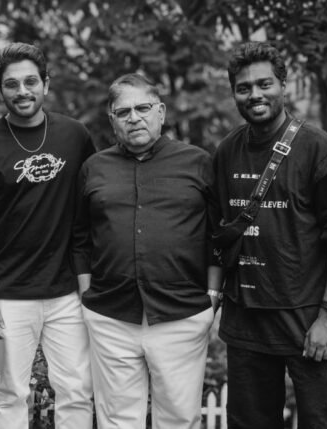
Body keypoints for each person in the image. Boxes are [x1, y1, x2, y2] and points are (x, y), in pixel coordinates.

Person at [212, 41, 327, 428]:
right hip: (246, 319)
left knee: (319, 421)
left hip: (308, 319)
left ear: (284, 85)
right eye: (244, 88)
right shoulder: (227, 151)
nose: (255, 94)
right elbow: (218, 229)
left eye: (264, 84)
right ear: (234, 93)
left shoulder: (319, 150)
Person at [0, 43, 94, 428]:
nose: (22, 91)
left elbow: (93, 206)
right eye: (12, 84)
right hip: (8, 295)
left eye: (31, 82)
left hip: (67, 292)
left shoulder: (75, 136)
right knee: (11, 393)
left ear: (45, 84)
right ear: (0, 90)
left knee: (77, 390)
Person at [72, 73, 221, 428]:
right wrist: (86, 294)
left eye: (143, 108)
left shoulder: (198, 162)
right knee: (117, 421)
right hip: (110, 315)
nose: (134, 118)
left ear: (161, 112)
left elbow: (217, 235)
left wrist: (213, 296)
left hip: (182, 314)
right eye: (123, 112)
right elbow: (80, 237)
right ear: (112, 120)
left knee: (179, 419)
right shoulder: (94, 168)